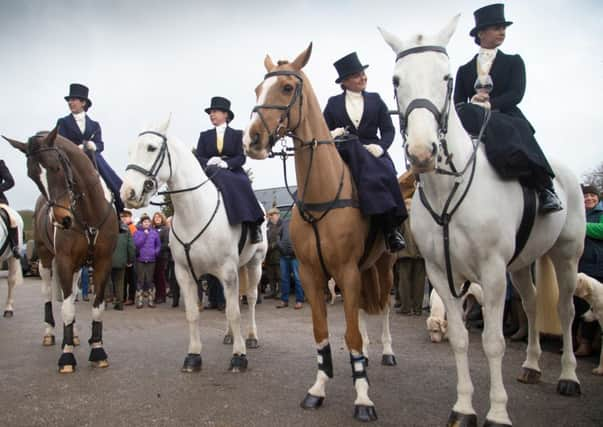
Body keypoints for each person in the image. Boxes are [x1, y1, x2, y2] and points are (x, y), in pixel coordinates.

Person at [453, 3, 562, 214]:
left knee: (519, 128)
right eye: (496, 27)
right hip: (473, 117)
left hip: (505, 114)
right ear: (481, 33)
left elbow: (516, 94)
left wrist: (490, 104)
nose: (502, 32)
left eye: (504, 28)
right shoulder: (464, 69)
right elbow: (457, 102)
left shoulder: (513, 61)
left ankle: (545, 188)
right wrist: (473, 103)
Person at [323, 52, 407, 252]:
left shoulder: (376, 100)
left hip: (372, 150)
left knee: (385, 171)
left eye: (363, 73)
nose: (363, 78)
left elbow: (388, 129)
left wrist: (381, 147)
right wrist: (333, 133)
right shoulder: (333, 103)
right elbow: (323, 131)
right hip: (344, 151)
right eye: (356, 75)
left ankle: (390, 229)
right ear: (344, 82)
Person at [195, 96, 264, 243]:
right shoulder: (204, 136)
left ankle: (254, 225)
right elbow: (198, 157)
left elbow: (241, 157)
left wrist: (226, 164)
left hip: (232, 170)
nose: (211, 115)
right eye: (210, 112)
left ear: (225, 114)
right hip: (210, 169)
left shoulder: (238, 134)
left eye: (215, 111)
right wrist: (209, 161)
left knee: (244, 183)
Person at [56, 83, 124, 213]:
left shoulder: (94, 125)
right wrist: (76, 148)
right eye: (69, 100)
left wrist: (94, 146)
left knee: (111, 180)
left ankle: (120, 212)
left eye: (73, 100)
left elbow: (100, 145)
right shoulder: (62, 122)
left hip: (92, 158)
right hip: (70, 159)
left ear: (83, 103)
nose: (70, 102)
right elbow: (59, 142)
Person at [574, 184, 603, 357]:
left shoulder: (600, 213)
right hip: (581, 264)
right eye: (585, 196)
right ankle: (580, 340)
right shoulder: (579, 213)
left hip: (598, 265)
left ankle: (590, 343)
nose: (589, 198)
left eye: (592, 195)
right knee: (580, 305)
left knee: (596, 305)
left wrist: (580, 227)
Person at [276, 217, 304, 309]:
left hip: (295, 257)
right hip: (283, 256)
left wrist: (295, 251)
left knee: (298, 279)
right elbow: (278, 236)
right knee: (284, 279)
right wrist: (281, 248)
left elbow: (302, 238)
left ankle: (299, 301)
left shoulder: (299, 223)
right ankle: (284, 300)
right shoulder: (284, 223)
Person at [133, 214, 160, 308]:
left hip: (151, 259)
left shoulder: (155, 232)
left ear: (150, 223)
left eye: (148, 222)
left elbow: (158, 245)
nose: (147, 223)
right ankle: (140, 301)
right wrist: (144, 235)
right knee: (140, 280)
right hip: (140, 259)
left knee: (150, 280)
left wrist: (155, 252)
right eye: (145, 222)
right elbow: (136, 245)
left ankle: (150, 300)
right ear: (142, 223)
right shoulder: (137, 233)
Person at [110, 220, 136, 310]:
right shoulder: (126, 228)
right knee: (119, 282)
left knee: (105, 281)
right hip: (121, 260)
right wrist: (130, 259)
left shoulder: (105, 225)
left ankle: (104, 301)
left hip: (106, 259)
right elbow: (131, 246)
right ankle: (119, 303)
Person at [0, 159, 20, 258]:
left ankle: (15, 246)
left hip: (0, 201)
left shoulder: (0, 164)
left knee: (12, 219)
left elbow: (10, 181)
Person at [264, 207, 282, 299]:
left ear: (278, 215)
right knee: (270, 275)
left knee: (279, 275)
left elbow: (281, 239)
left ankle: (280, 292)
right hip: (268, 255)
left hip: (278, 254)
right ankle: (272, 291)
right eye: (269, 215)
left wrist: (271, 246)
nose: (270, 217)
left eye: (272, 215)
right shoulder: (267, 226)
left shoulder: (281, 225)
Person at [152, 212, 169, 304]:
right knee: (155, 277)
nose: (157, 218)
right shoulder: (152, 229)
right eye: (155, 217)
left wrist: (156, 249)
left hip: (162, 256)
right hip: (152, 257)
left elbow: (166, 243)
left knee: (161, 277)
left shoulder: (166, 229)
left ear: (162, 218)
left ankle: (162, 296)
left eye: (159, 217)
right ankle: (157, 295)